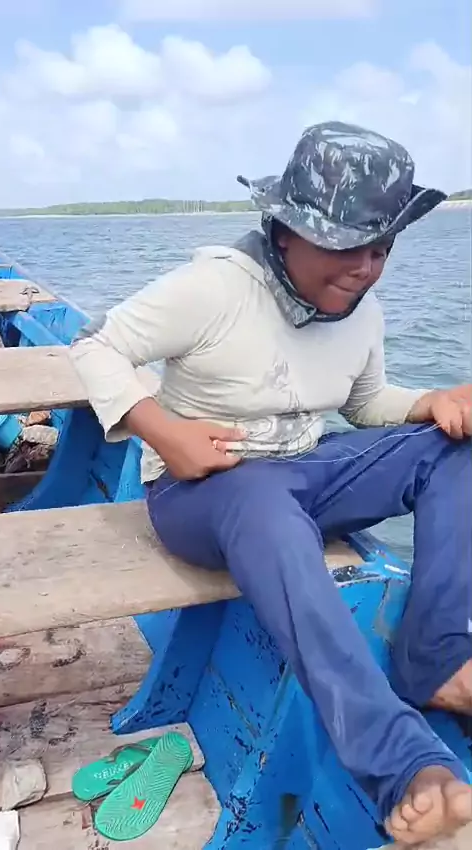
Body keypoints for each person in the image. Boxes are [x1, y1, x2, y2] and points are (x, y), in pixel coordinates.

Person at [71, 121, 472, 845]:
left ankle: (437, 659)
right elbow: (96, 345)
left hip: (300, 472)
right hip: (201, 493)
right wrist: (164, 432)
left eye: (381, 249)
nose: (365, 268)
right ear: (285, 233)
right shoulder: (216, 288)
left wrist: (430, 403)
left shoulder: (361, 313)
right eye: (346, 246)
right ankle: (400, 763)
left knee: (453, 448)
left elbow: (363, 404)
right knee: (261, 500)